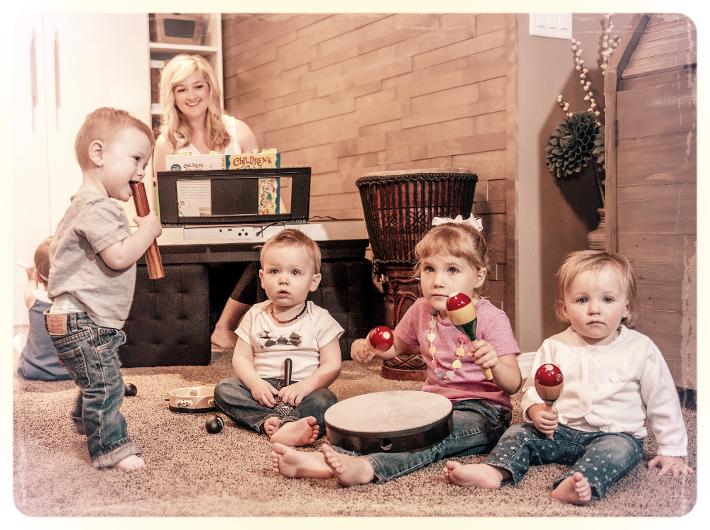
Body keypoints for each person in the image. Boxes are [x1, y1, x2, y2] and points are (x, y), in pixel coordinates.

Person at [270, 216, 522, 485]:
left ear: (479, 276)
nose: (438, 281)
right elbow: (394, 346)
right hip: (434, 403)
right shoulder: (422, 310)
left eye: (452, 270)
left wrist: (494, 364)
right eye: (429, 269)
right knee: (387, 425)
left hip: (484, 413)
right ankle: (329, 459)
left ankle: (367, 467)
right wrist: (371, 347)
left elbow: (514, 383)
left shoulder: (492, 319)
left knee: (429, 439)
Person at [444, 250, 693, 504]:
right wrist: (536, 411)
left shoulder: (641, 349)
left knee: (619, 452)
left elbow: (663, 400)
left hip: (614, 434)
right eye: (582, 300)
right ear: (564, 308)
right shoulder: (555, 346)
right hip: (558, 432)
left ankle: (578, 481)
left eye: (607, 299)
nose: (595, 309)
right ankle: (495, 470)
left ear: (626, 307)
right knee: (518, 433)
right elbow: (533, 389)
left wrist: (672, 449)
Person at [44, 107, 162, 472]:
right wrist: (148, 230)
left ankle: (86, 418)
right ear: (99, 155)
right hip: (83, 321)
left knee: (94, 374)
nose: (142, 171)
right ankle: (110, 446)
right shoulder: (99, 209)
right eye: (136, 159)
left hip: (75, 319)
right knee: (106, 384)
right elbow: (119, 256)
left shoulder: (80, 207)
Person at [153, 53, 260, 351]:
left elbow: (264, 189)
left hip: (242, 236)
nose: (191, 96)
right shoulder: (166, 143)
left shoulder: (239, 131)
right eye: (181, 89)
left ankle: (224, 327)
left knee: (272, 251)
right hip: (192, 242)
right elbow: (163, 207)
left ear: (210, 88)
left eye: (198, 86)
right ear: (171, 95)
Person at [213, 229, 343, 447]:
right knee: (224, 389)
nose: (283, 280)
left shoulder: (321, 319)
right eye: (274, 271)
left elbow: (332, 365)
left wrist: (306, 387)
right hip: (264, 391)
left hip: (305, 391)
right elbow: (241, 359)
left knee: (326, 400)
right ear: (262, 279)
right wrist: (255, 384)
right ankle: (266, 421)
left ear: (314, 281)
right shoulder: (255, 314)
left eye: (295, 272)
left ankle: (291, 424)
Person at [17, 237, 71, 381]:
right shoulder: (82, 302)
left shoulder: (33, 298)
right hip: (72, 372)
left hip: (34, 369)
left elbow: (30, 288)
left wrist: (31, 279)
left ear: (40, 277)